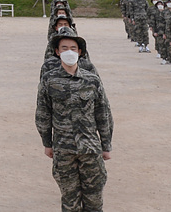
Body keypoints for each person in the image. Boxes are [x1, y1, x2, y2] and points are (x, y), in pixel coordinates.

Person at [36, 29, 113, 212]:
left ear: (79, 52)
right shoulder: (49, 79)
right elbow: (43, 113)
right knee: (70, 200)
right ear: (57, 51)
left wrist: (106, 145)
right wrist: (47, 143)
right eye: (64, 48)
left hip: (90, 148)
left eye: (73, 47)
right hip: (63, 148)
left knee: (94, 200)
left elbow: (103, 113)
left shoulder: (92, 80)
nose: (69, 51)